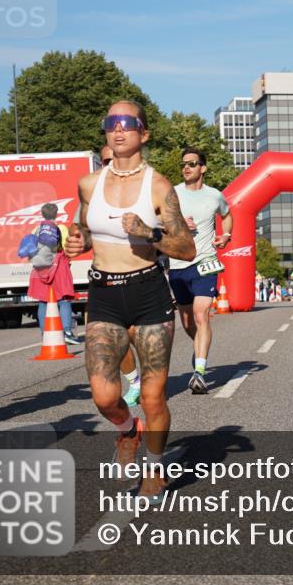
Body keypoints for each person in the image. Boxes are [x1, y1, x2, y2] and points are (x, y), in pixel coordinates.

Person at [64, 100, 195, 501]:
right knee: (104, 395)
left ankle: (155, 469)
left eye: (127, 123)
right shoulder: (90, 184)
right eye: (110, 123)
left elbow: (186, 249)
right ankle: (127, 431)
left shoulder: (158, 185)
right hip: (104, 292)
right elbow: (83, 228)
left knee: (153, 396)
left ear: (144, 133)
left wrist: (149, 233)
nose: (117, 130)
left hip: (148, 291)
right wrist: (76, 240)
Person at [167, 148, 232, 395]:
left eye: (192, 164)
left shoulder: (214, 195)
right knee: (187, 321)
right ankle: (200, 350)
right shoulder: (171, 193)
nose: (187, 168)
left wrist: (226, 235)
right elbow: (158, 222)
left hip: (206, 262)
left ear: (202, 168)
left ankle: (200, 372)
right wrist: (178, 224)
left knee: (200, 314)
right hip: (178, 264)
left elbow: (227, 216)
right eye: (184, 164)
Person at [97, 145, 143, 406]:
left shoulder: (143, 190)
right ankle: (135, 383)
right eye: (105, 161)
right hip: (108, 277)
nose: (109, 165)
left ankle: (152, 376)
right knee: (118, 336)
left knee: (140, 336)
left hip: (141, 274)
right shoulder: (94, 195)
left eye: (113, 160)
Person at [26, 202, 83, 345]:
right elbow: (66, 248)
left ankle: (45, 334)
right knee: (64, 299)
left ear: (42, 214)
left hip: (40, 267)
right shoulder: (61, 228)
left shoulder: (36, 229)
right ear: (56, 214)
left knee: (43, 300)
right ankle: (67, 332)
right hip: (58, 266)